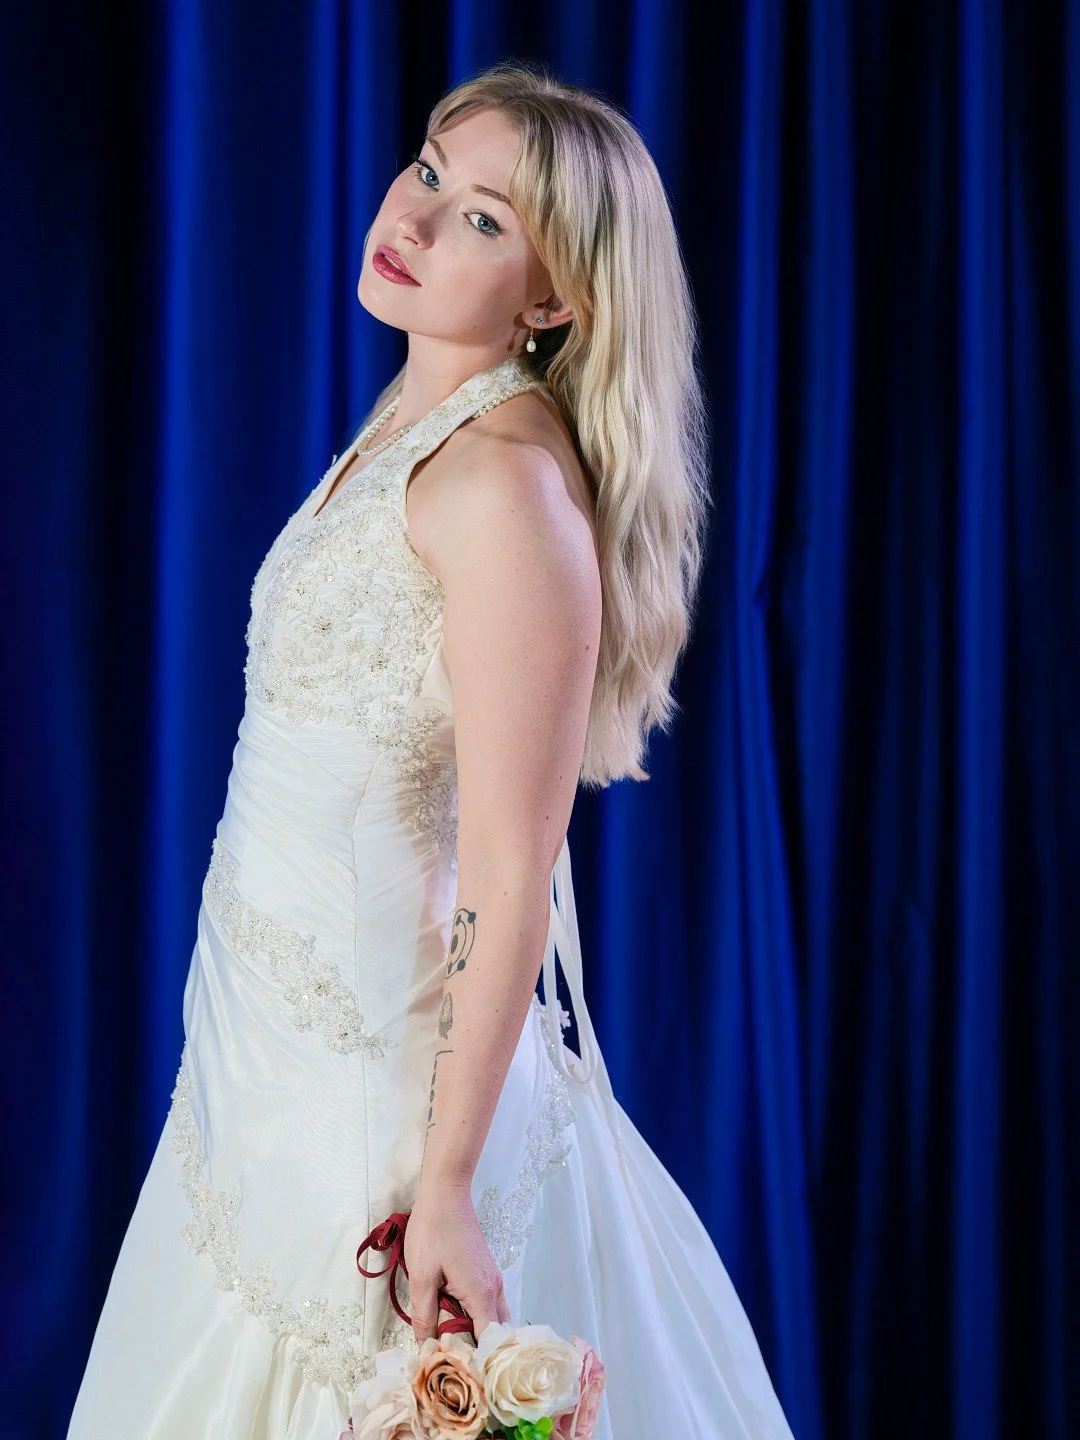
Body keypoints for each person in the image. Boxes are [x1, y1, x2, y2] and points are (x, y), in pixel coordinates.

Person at [67, 60, 796, 1439]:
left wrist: (444, 1177)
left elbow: (512, 869)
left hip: (380, 1107)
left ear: (552, 297)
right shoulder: (413, 428)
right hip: (262, 1065)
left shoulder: (505, 485)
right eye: (426, 172)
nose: (411, 216)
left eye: (480, 219)